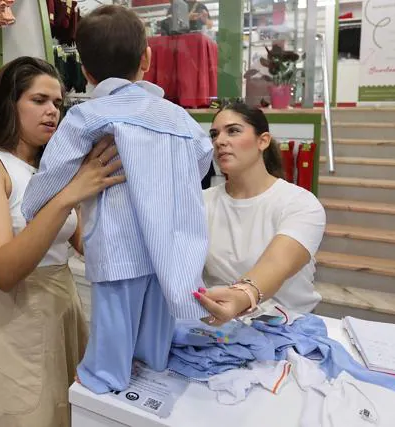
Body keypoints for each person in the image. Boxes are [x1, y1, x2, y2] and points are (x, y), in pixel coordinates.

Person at [21, 5, 213, 395]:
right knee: (158, 319)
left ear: (87, 72)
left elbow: (53, 173)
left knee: (113, 322)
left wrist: (32, 206)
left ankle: (105, 377)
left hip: (117, 242)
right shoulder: (178, 118)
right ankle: (154, 365)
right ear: (147, 57)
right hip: (170, 244)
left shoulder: (87, 117)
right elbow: (202, 160)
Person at [0, 56, 124, 427]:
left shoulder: (51, 170)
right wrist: (67, 196)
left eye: (58, 104)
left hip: (63, 307)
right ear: (8, 103)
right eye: (39, 100)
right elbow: (3, 270)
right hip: (13, 319)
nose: (52, 111)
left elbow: (86, 245)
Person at [195, 102, 326, 326]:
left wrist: (242, 295)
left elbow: (277, 262)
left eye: (233, 131)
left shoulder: (300, 203)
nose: (220, 141)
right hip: (218, 328)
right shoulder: (201, 202)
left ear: (262, 140)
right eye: (214, 134)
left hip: (289, 327)